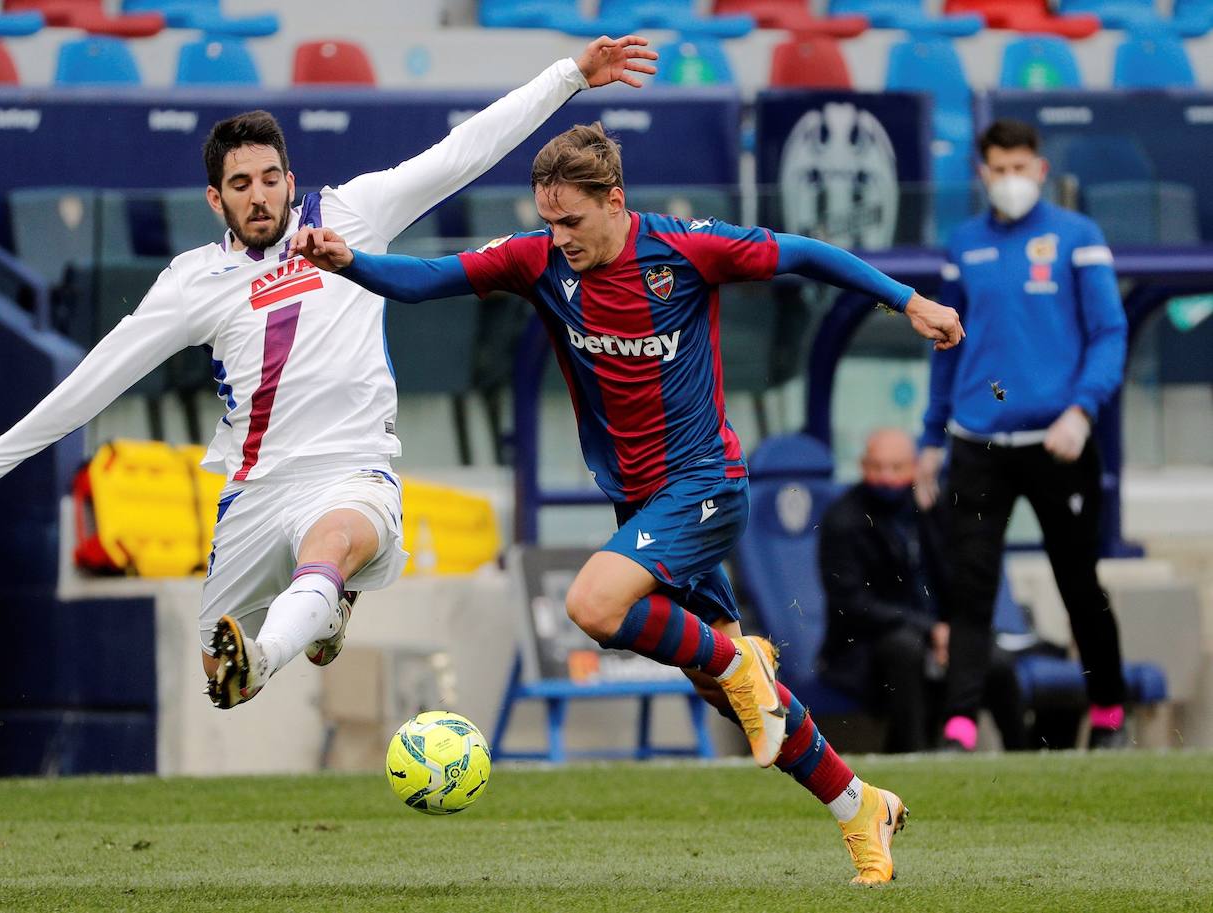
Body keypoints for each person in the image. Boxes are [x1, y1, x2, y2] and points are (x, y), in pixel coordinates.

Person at [294, 122, 964, 884]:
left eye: (572, 220)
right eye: (549, 220)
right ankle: (860, 804)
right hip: (643, 508)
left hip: (707, 482)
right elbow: (427, 278)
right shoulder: (539, 261)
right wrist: (352, 263)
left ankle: (742, 664)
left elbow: (807, 253)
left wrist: (906, 300)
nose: (560, 237)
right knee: (738, 702)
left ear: (615, 201)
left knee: (594, 604)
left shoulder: (685, 250)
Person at [0, 37, 660, 712]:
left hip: (351, 471)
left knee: (329, 546)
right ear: (216, 199)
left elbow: (462, 151)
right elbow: (97, 377)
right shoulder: (195, 282)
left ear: (290, 178)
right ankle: (317, 611)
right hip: (255, 488)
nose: (259, 194)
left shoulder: (352, 215)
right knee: (222, 684)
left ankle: (296, 622)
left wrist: (570, 76)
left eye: (270, 177)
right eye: (240, 183)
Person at [915, 119, 1130, 751]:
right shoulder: (964, 244)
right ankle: (960, 725)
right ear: (982, 175)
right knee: (971, 587)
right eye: (998, 170)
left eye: (1020, 168)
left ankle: (1110, 711)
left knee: (1077, 580)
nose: (1010, 181)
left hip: (1058, 441)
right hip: (976, 442)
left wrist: (1082, 410)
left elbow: (1109, 333)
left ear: (1040, 168)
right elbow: (946, 347)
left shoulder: (1078, 237)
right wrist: (931, 437)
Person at [818, 428, 1027, 753]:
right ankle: (916, 756)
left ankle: (1023, 757)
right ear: (862, 466)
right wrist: (930, 630)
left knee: (996, 662)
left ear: (915, 467)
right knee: (905, 649)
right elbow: (852, 603)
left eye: (896, 468)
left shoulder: (931, 509)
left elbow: (962, 582)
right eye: (877, 467)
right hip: (867, 647)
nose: (886, 478)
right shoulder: (843, 519)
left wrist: (954, 631)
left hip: (939, 636)